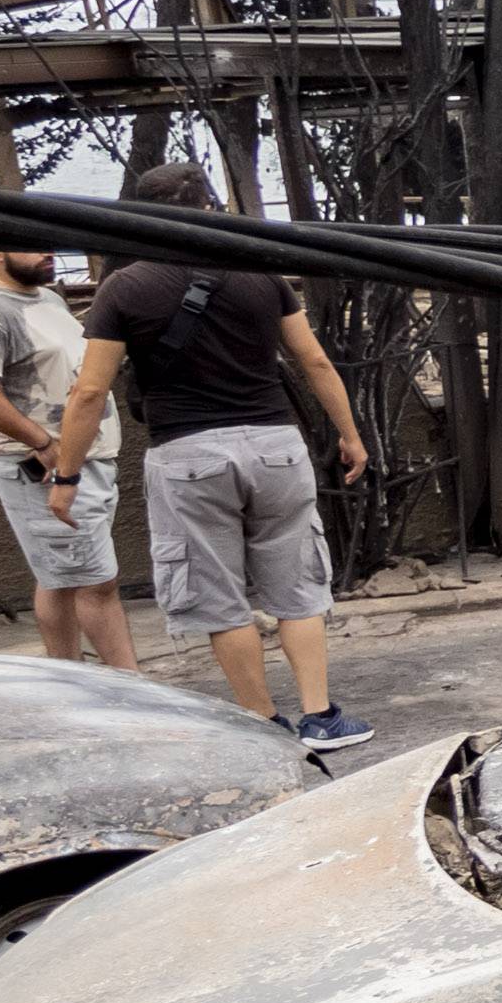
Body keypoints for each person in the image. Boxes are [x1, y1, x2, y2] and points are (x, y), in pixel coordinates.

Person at [49, 164, 374, 747]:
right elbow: (315, 361)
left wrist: (67, 473)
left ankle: (264, 726)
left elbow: (90, 391)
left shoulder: (124, 287)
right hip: (275, 446)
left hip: (188, 453)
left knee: (218, 595)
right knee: (296, 585)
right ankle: (322, 718)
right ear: (212, 207)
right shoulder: (260, 271)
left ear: (143, 215)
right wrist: (349, 434)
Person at [0, 247, 139, 670]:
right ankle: (136, 689)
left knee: (60, 578)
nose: (47, 252)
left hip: (86, 461)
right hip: (44, 469)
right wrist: (39, 439)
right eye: (31, 245)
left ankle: (69, 682)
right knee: (96, 582)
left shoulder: (47, 299)